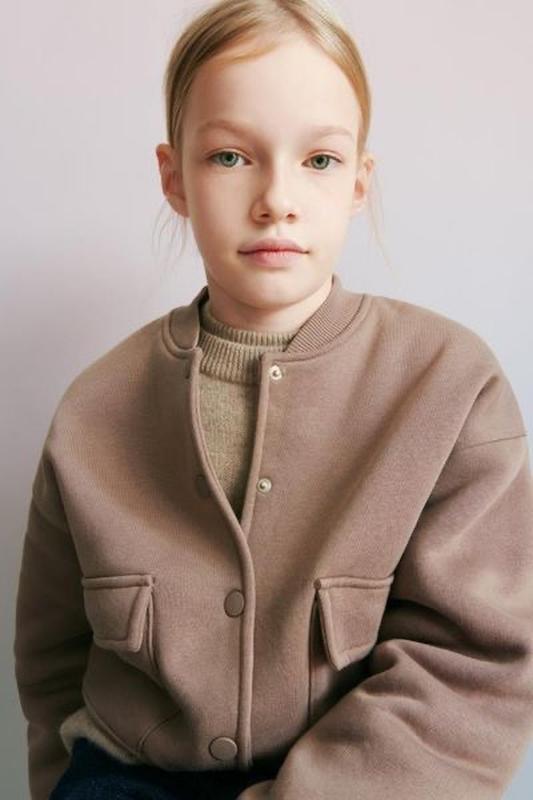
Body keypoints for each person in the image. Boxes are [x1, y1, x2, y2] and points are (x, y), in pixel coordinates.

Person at [13, 0, 533, 798]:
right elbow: (52, 662)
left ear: (358, 182)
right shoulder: (94, 409)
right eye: (229, 157)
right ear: (173, 177)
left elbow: (471, 667)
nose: (276, 199)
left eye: (318, 160)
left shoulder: (451, 385)